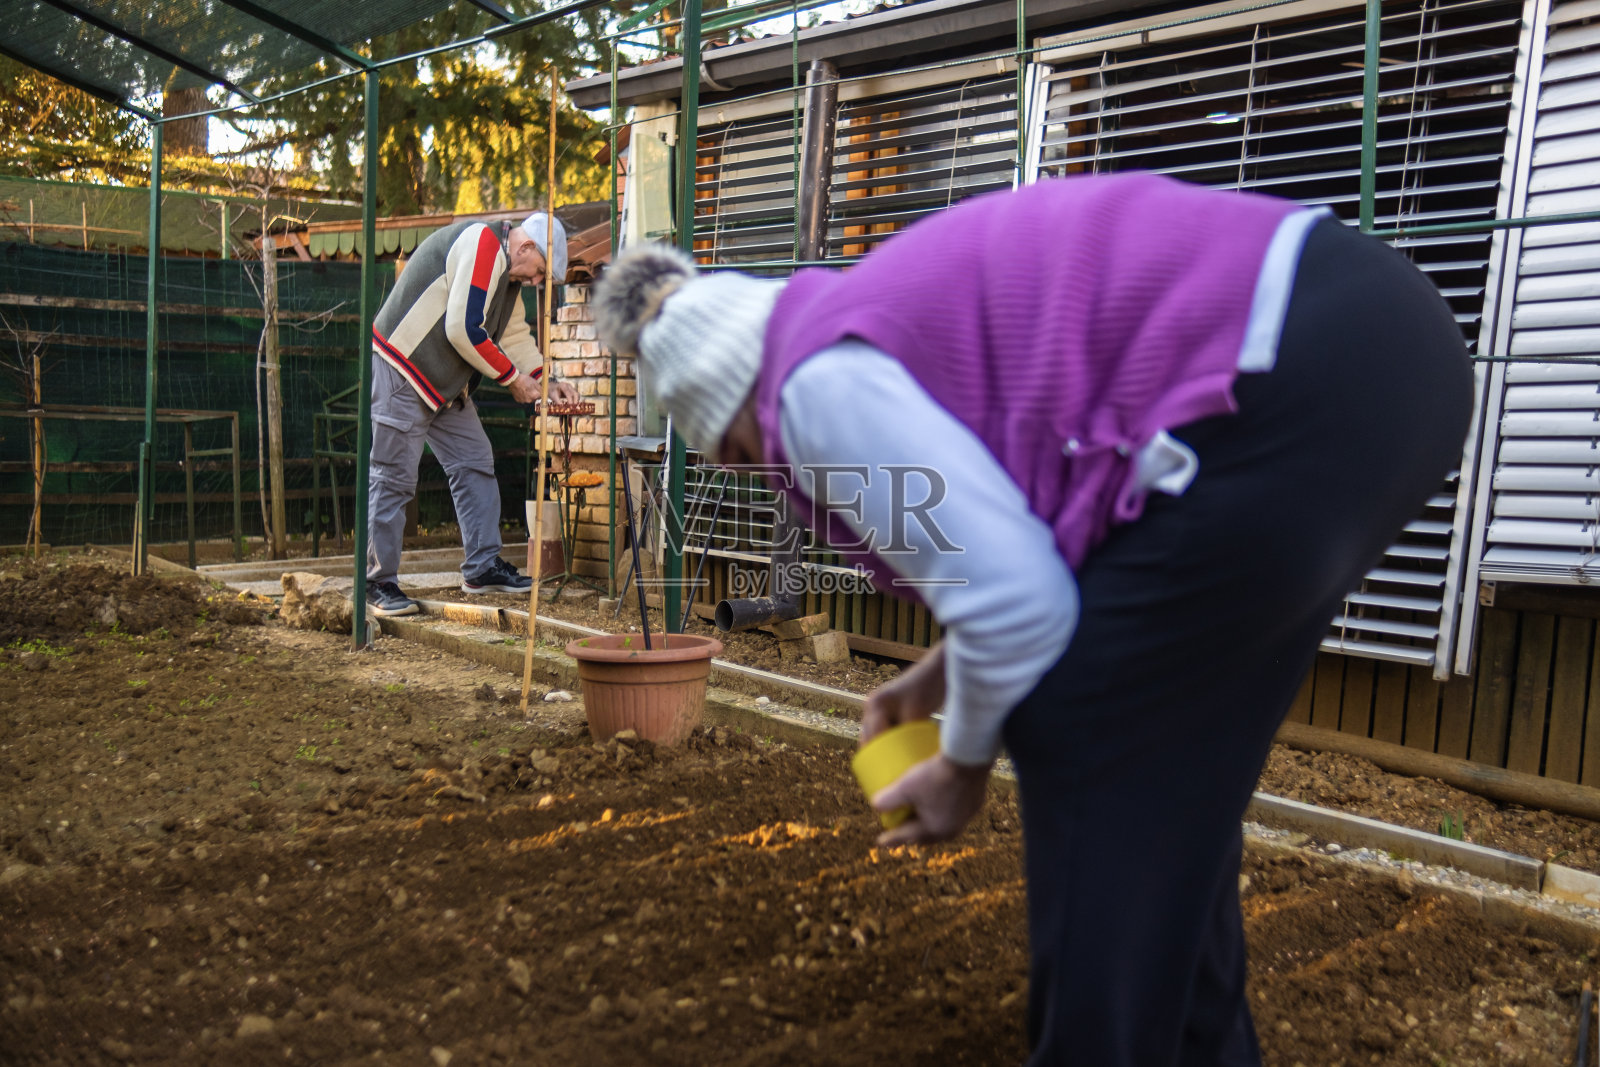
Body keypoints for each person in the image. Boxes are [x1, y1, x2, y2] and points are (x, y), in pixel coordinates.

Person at [593, 173, 1473, 1067]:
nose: (771, 475)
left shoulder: (812, 387)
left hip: (1297, 367)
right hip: (1367, 354)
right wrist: (938, 676)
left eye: (743, 456)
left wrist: (962, 765)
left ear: (732, 410)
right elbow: (1021, 556)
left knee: (1077, 712)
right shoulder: (848, 332)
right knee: (1163, 783)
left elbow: (1017, 607)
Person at [365, 212, 580, 617]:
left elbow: (514, 336)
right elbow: (462, 329)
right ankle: (377, 583)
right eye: (540, 273)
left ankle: (481, 568)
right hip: (403, 365)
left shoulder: (508, 276)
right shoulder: (483, 244)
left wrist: (545, 381)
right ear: (527, 247)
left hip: (444, 382)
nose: (537, 282)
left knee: (475, 461)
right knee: (392, 476)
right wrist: (513, 379)